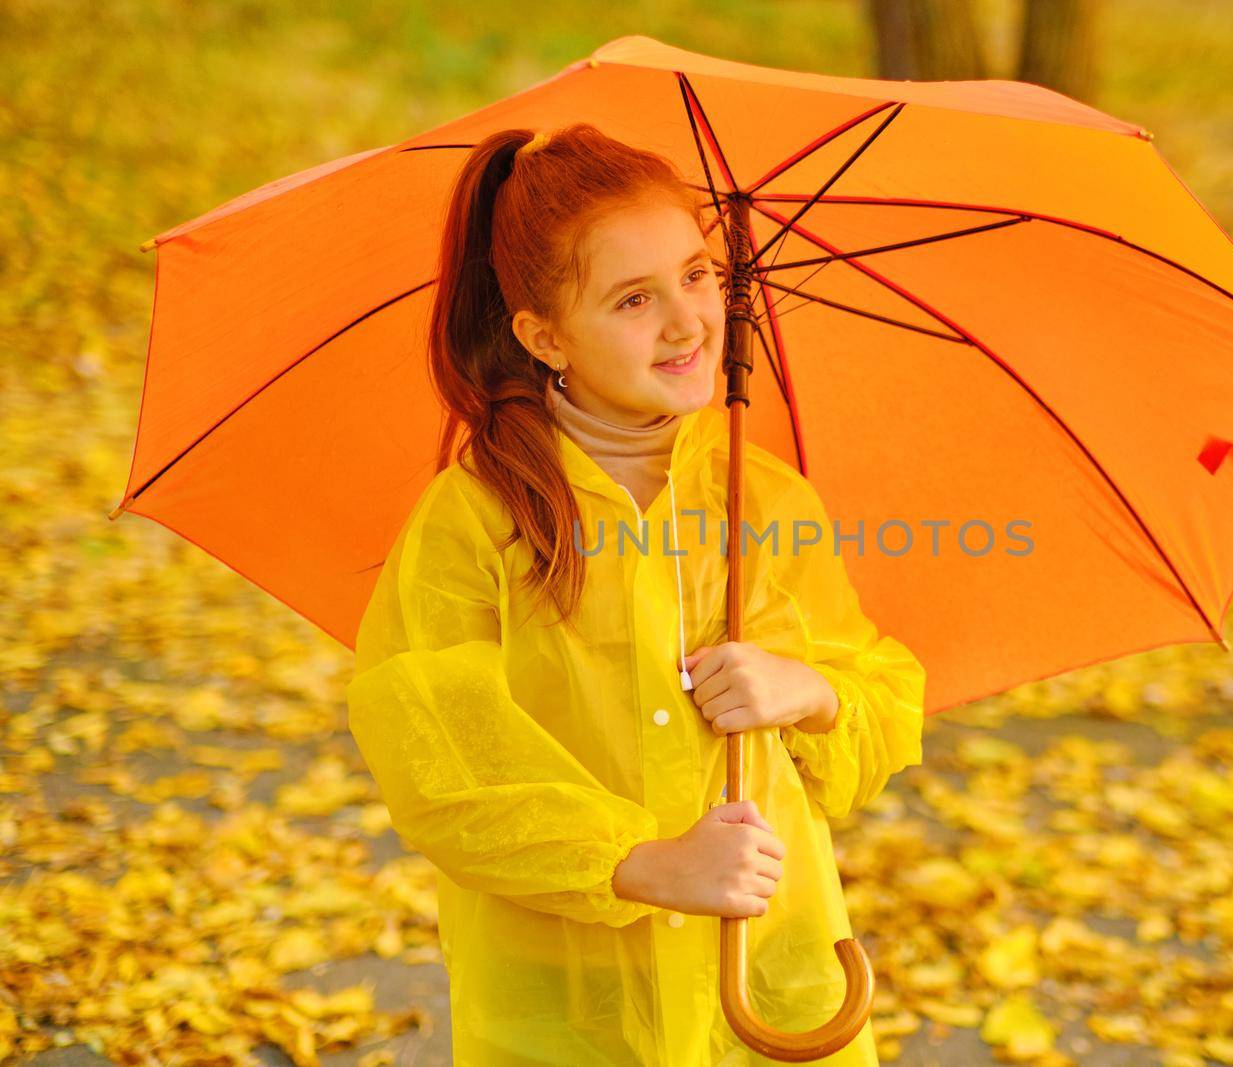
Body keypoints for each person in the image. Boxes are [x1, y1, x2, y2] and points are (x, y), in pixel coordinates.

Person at [344, 122, 926, 1066]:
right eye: (633, 299)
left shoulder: (765, 498)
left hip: (767, 976)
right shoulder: (475, 520)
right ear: (543, 335)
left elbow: (879, 694)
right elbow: (444, 768)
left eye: (698, 275)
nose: (689, 321)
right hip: (572, 997)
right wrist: (644, 863)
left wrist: (807, 691)